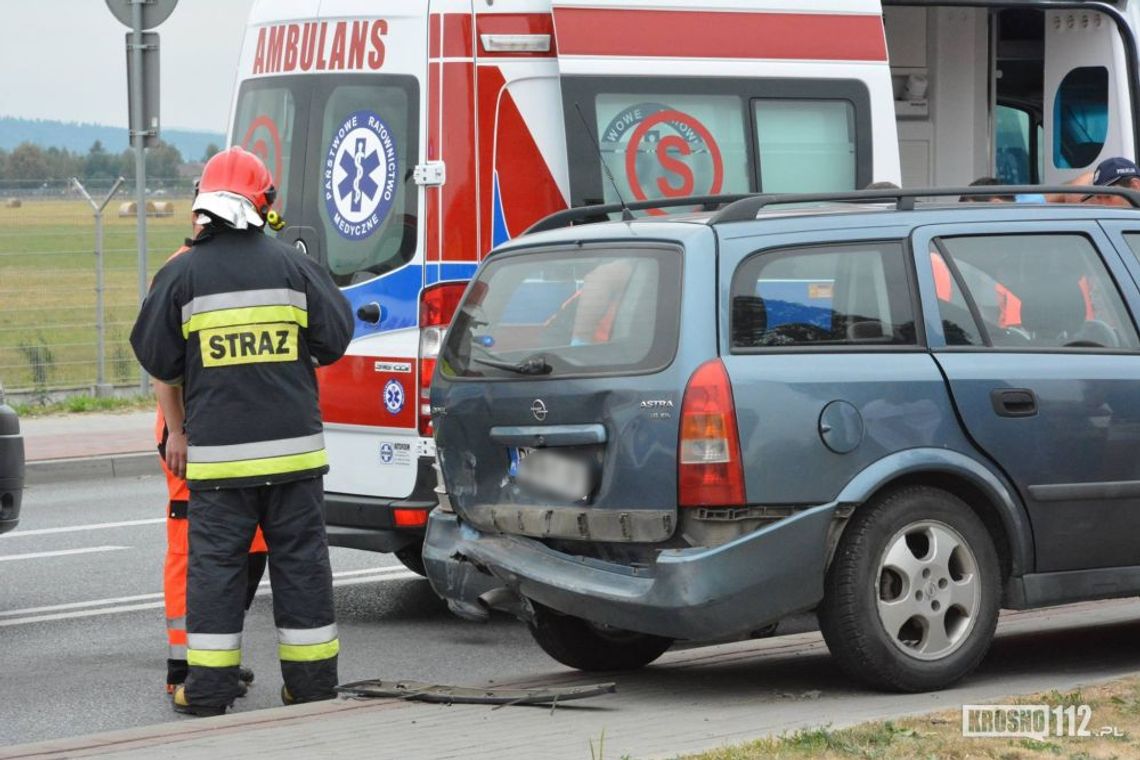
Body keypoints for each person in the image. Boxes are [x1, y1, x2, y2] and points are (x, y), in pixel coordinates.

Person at [131, 147, 354, 717]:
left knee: (215, 574)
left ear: (204, 201)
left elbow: (158, 357)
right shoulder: (294, 266)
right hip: (294, 461)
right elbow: (334, 340)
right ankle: (310, 689)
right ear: (266, 203)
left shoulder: (182, 273)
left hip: (220, 466)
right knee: (302, 567)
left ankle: (205, 694)